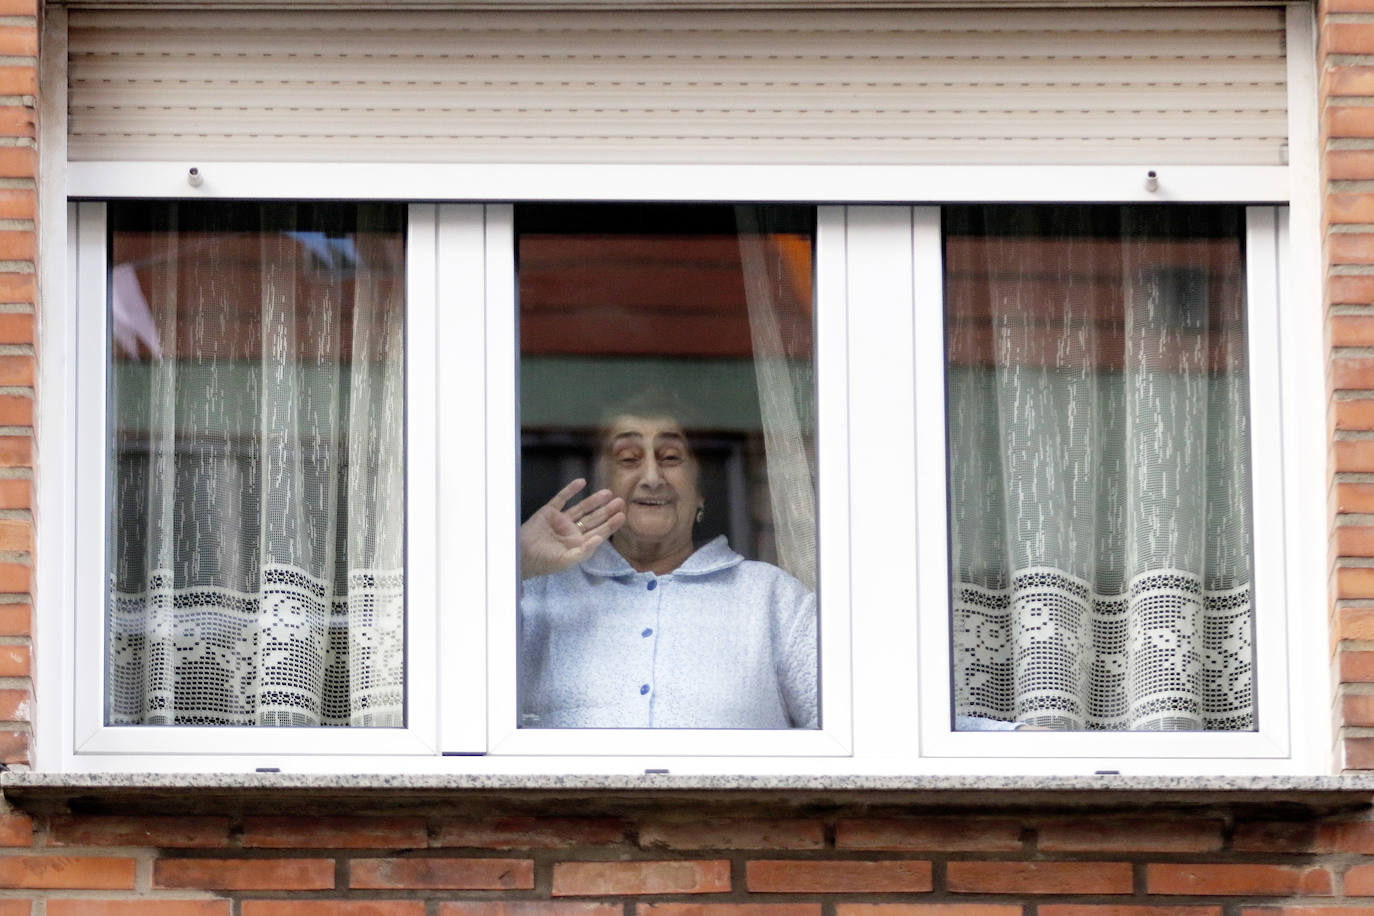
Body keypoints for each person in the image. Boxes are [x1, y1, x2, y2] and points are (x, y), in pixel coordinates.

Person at [518, 408, 818, 729]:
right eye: (629, 459)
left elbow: (846, 729)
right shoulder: (539, 592)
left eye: (671, 458)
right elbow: (466, 695)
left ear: (699, 493)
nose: (651, 478)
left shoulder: (773, 597)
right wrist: (518, 564)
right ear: (601, 491)